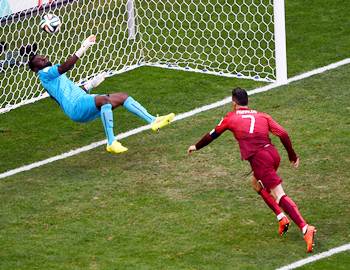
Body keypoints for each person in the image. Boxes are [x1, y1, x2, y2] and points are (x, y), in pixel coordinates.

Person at [187, 87, 316, 253]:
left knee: (279, 195)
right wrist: (292, 154)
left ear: (234, 103)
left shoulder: (231, 118)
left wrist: (196, 146)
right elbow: (283, 133)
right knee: (256, 184)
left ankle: (305, 228)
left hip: (260, 160)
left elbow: (212, 134)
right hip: (272, 154)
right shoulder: (262, 115)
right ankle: (281, 217)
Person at [28, 35, 175, 154]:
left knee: (122, 97)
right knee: (105, 100)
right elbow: (66, 66)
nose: (44, 58)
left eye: (43, 56)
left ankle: (153, 121)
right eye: (40, 60)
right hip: (76, 108)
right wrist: (83, 47)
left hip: (81, 101)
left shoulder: (53, 77)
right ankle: (111, 142)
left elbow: (73, 92)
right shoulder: (44, 74)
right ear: (35, 69)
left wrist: (91, 84)